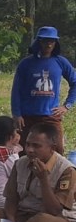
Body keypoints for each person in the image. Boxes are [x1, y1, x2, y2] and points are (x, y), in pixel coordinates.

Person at [11, 26, 76, 154]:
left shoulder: (60, 62)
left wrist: (67, 106)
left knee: (57, 150)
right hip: (27, 116)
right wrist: (16, 114)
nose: (49, 44)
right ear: (39, 41)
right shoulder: (26, 64)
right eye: (45, 41)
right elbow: (16, 90)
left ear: (56, 43)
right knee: (24, 151)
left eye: (52, 41)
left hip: (51, 116)